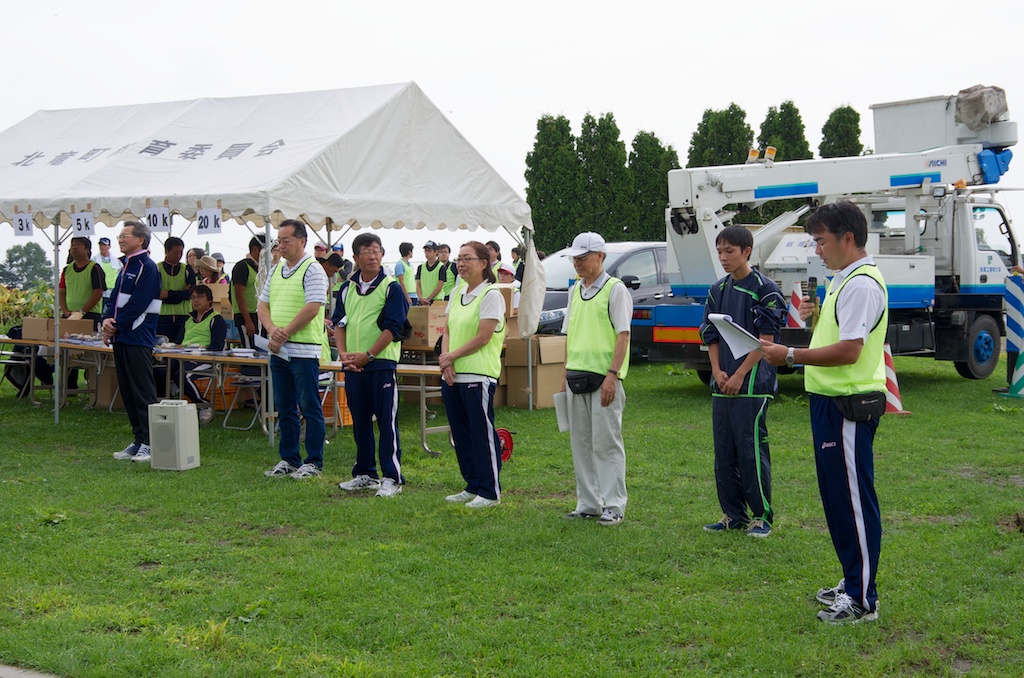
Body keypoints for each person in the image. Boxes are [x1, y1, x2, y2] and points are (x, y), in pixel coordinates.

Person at [761, 201, 887, 624]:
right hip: (830, 404)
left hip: (848, 407)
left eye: (820, 240)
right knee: (837, 500)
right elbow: (840, 339)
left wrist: (792, 354)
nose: (816, 249)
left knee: (852, 501)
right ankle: (853, 581)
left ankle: (862, 599)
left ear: (847, 239)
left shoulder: (861, 284)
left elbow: (851, 351)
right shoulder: (842, 281)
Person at [699, 225, 786, 538]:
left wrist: (738, 375)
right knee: (724, 453)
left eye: (729, 252)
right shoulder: (717, 290)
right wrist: (717, 372)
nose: (723, 258)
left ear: (747, 252)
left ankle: (761, 517)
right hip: (722, 385)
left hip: (752, 386)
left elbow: (766, 342)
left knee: (750, 451)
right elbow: (711, 335)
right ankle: (732, 515)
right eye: (720, 252)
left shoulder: (766, 290)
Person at [560, 232, 633, 526]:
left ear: (600, 256)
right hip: (576, 377)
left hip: (604, 378)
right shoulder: (574, 290)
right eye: (574, 258)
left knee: (606, 443)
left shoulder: (616, 290)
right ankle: (588, 502)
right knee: (580, 443)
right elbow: (569, 335)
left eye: (583, 257)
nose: (577, 263)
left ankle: (614, 504)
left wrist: (612, 375)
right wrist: (563, 373)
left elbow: (623, 334)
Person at [333, 233, 410, 498]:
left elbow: (393, 327)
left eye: (377, 250)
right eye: (366, 251)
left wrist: (369, 354)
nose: (373, 255)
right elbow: (339, 324)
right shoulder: (346, 288)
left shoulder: (391, 287)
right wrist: (343, 354)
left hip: (381, 364)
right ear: (355, 258)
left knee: (387, 422)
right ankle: (365, 473)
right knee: (360, 421)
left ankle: (392, 476)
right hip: (354, 366)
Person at [257, 219, 330, 480]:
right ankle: (288, 458)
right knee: (284, 406)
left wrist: (283, 332)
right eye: (279, 240)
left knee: (309, 406)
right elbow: (262, 305)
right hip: (278, 350)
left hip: (304, 351)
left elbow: (313, 307)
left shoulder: (313, 270)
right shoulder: (276, 270)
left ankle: (313, 461)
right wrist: (271, 330)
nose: (281, 245)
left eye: (286, 240)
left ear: (302, 241)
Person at [438, 241, 507, 508]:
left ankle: (490, 491)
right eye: (459, 258)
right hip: (453, 374)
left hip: (478, 375)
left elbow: (483, 336)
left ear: (483, 263)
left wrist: (452, 357)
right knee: (461, 433)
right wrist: (446, 362)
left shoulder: (491, 294)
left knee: (481, 432)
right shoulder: (457, 293)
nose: (461, 263)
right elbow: (447, 331)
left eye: (467, 258)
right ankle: (472, 484)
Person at [102, 221, 162, 464]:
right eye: (120, 235)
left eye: (125, 235)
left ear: (140, 240)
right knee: (127, 390)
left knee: (142, 390)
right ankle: (138, 439)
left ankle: (151, 441)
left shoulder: (147, 267)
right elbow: (114, 297)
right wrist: (106, 320)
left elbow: (139, 303)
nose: (120, 239)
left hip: (137, 335)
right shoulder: (125, 264)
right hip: (121, 335)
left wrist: (116, 324)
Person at [157, 285, 227, 426]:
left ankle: (204, 404)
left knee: (182, 376)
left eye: (200, 297)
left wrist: (200, 348)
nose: (196, 301)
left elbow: (217, 347)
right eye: (193, 297)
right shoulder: (188, 320)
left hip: (205, 359)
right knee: (159, 371)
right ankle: (167, 405)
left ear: (209, 301)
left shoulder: (217, 320)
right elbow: (178, 343)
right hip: (183, 357)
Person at [60, 236, 106, 391]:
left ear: (87, 249)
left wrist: (82, 311)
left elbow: (98, 291)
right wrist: (65, 310)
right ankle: (68, 387)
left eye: (78, 245)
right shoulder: (67, 269)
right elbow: (61, 291)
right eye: (72, 245)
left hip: (89, 316)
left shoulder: (95, 268)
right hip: (69, 316)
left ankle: (92, 386)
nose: (74, 248)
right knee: (66, 352)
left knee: (88, 353)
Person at [157, 236, 195, 342]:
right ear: (166, 251)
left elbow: (191, 294)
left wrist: (168, 294)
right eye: (175, 252)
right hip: (162, 318)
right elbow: (155, 295)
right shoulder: (156, 269)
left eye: (181, 253)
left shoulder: (187, 270)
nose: (179, 256)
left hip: (184, 318)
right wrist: (181, 294)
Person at [231, 235, 266, 350]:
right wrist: (248, 321)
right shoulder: (242, 267)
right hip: (247, 316)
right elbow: (238, 295)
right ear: (256, 249)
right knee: (250, 351)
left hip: (261, 315)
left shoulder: (262, 268)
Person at [415, 240, 448, 306]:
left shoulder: (441, 267)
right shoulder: (420, 267)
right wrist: (420, 298)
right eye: (425, 251)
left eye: (429, 251)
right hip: (423, 301)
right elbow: (418, 285)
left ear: (436, 252)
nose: (427, 253)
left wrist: (428, 299)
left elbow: (439, 287)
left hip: (436, 301)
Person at [92, 236, 122, 304]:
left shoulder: (117, 261)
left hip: (112, 292)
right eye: (101, 245)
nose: (102, 247)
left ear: (109, 246)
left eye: (104, 245)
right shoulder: (94, 260)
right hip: (98, 292)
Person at [394, 242, 417, 306]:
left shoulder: (409, 265)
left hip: (414, 295)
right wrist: (407, 297)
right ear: (409, 252)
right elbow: (402, 282)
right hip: (406, 296)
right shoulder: (400, 264)